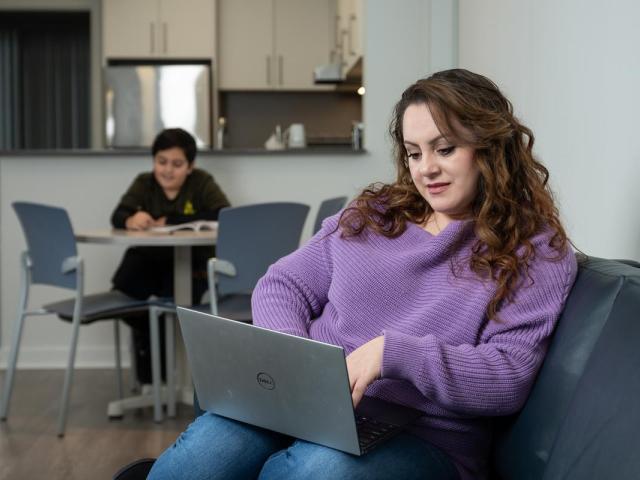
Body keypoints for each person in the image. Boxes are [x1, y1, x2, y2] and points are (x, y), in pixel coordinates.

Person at [148, 70, 577, 480]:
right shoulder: (374, 214)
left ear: (490, 146)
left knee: (310, 473)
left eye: (444, 149)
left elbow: (508, 376)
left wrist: (395, 354)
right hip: (307, 406)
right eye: (414, 152)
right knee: (201, 461)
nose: (426, 168)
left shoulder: (535, 249)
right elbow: (283, 285)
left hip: (425, 436)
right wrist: (297, 364)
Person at [111, 128, 230, 385]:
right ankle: (154, 372)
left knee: (172, 307)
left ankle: (181, 380)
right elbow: (118, 215)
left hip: (193, 266)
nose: (167, 170)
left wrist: (172, 220)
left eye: (177, 164)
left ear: (190, 166)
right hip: (151, 264)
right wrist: (131, 218)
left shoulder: (201, 181)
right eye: (161, 162)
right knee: (128, 285)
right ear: (154, 161)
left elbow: (223, 213)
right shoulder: (144, 182)